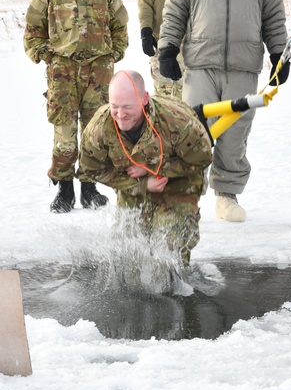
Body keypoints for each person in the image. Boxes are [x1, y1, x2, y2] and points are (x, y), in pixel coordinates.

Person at [156, 0, 288, 223]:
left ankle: (227, 196)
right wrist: (168, 48)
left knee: (234, 133)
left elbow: (274, 18)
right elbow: (175, 12)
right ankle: (186, 193)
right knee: (193, 130)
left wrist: (279, 55)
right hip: (201, 64)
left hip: (244, 67)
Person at [24, 0, 129, 213]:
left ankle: (89, 189)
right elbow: (33, 26)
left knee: (95, 132)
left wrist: (115, 53)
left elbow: (121, 23)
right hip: (63, 72)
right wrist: (46, 55)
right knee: (65, 134)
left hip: (99, 71)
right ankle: (65, 190)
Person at [79, 70, 213, 264]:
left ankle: (173, 284)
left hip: (180, 183)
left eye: (127, 106)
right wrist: (142, 184)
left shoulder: (176, 121)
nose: (121, 115)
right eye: (114, 106)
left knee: (168, 248)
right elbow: (91, 169)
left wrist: (154, 168)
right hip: (133, 184)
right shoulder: (99, 128)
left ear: (144, 99)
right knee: (128, 252)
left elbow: (202, 158)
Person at [137, 0, 190, 100]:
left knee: (187, 90)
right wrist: (146, 31)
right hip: (162, 41)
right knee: (163, 90)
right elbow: (144, 4)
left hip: (188, 44)